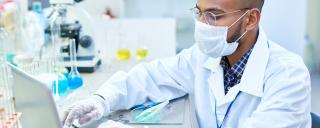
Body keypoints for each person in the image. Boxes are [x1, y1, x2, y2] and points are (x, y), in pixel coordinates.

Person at [62, 0, 312, 127]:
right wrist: (101, 100)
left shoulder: (289, 76)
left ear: (250, 20)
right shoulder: (205, 57)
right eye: (199, 11)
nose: (203, 24)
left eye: (214, 15)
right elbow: (151, 77)